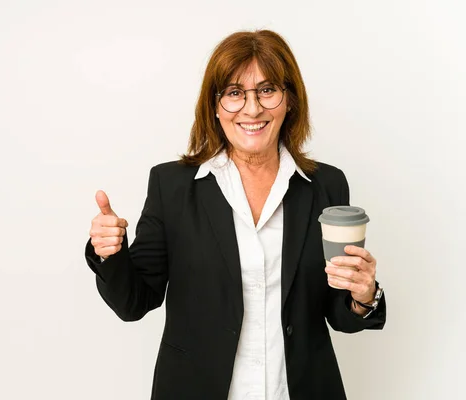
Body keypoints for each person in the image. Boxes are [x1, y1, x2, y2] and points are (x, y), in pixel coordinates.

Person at [84, 29, 386, 400]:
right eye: (234, 93)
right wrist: (109, 253)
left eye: (267, 90)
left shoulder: (326, 186)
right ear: (214, 105)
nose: (252, 108)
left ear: (289, 100)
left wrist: (363, 295)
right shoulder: (172, 186)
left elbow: (337, 312)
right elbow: (134, 303)